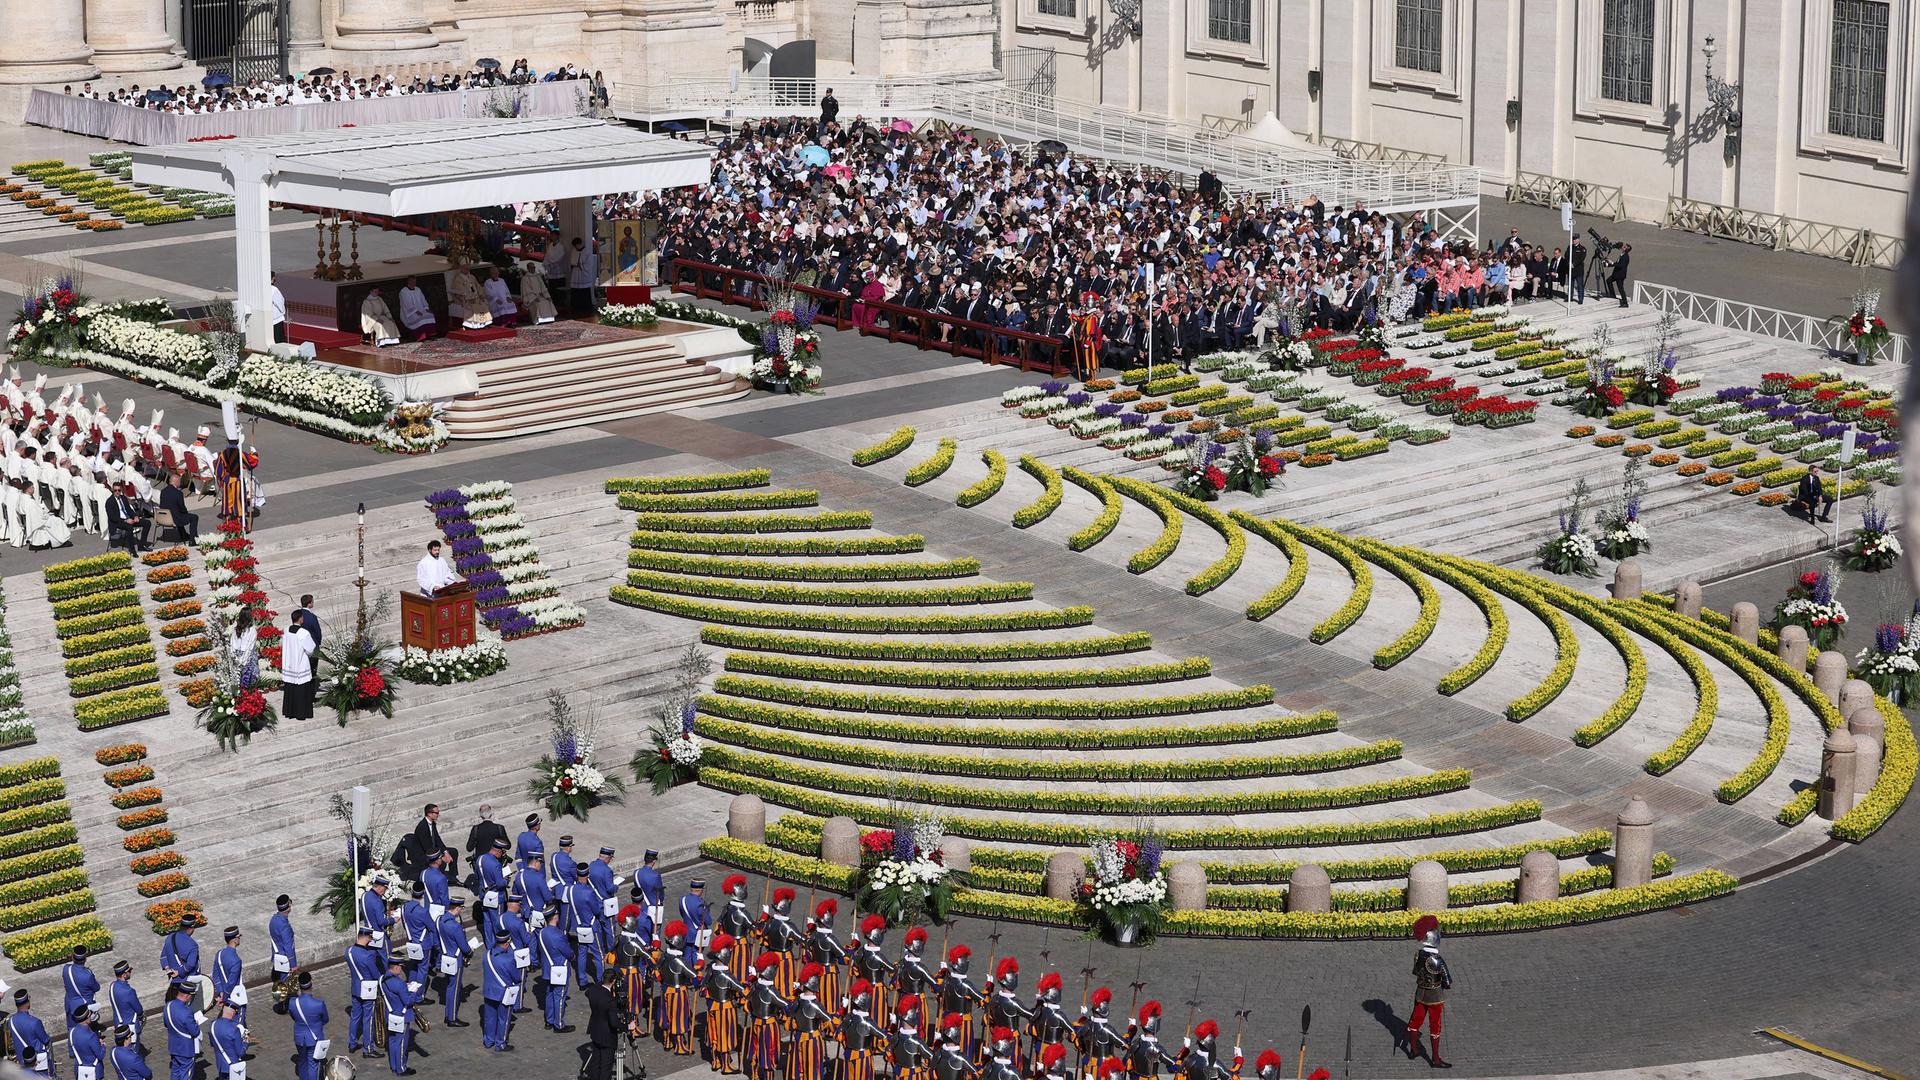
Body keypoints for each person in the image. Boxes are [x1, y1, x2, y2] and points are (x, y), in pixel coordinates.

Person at [1406, 915, 1452, 1068]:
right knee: (1435, 1025)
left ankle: (1413, 1049)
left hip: (1420, 992)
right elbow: (1447, 981)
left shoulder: (1418, 955)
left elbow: (1415, 972)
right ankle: (1435, 1059)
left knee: (1415, 1021)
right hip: (1435, 996)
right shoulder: (1437, 959)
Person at [380, 951, 424, 1076]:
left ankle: (394, 1066)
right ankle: (401, 1069)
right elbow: (408, 1001)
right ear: (397, 967)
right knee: (401, 1043)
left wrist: (405, 987)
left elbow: (394, 991)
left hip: (390, 1014)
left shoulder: (383, 978)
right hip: (402, 1016)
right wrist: (414, 991)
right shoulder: (399, 983)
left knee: (393, 1041)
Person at [579, 967, 625, 1080]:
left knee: (596, 1062)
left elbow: (588, 992)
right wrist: (628, 1026)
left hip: (595, 1031)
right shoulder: (610, 1001)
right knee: (606, 1066)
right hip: (607, 1036)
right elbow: (614, 1023)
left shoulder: (593, 990)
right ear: (613, 981)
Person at [537, 901, 576, 1033]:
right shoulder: (558, 935)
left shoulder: (542, 932)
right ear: (555, 916)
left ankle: (549, 1020)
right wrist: (572, 956)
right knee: (559, 996)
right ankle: (558, 1024)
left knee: (549, 994)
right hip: (559, 968)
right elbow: (568, 952)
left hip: (548, 969)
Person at [344, 926, 383, 1057]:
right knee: (368, 1019)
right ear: (367, 938)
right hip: (367, 990)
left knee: (355, 1017)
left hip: (355, 987)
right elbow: (376, 974)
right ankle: (368, 1049)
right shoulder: (367, 956)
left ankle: (352, 1043)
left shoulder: (348, 951)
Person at [436, 896, 474, 1028]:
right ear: (457, 908)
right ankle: (451, 1017)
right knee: (455, 988)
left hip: (445, 956)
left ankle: (449, 1014)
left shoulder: (439, 920)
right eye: (461, 909)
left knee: (450, 985)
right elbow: (464, 946)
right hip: (455, 960)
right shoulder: (455, 926)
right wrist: (470, 952)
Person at [480, 930, 519, 1051]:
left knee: (489, 1018)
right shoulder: (508, 960)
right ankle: (500, 1043)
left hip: (489, 991)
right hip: (503, 993)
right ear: (507, 943)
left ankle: (488, 1040)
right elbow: (517, 978)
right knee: (504, 1019)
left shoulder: (486, 954)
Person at [286, 970, 329, 1080]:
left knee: (302, 1062)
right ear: (311, 983)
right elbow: (325, 1019)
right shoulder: (319, 1004)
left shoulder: (292, 1002)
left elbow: (294, 1017)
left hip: (299, 1037)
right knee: (313, 1064)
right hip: (314, 1037)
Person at [279, 614, 317, 721]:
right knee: (301, 690)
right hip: (300, 665)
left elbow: (283, 645)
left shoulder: (286, 630)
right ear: (300, 619)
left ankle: (289, 712)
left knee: (290, 688)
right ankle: (301, 713)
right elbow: (310, 649)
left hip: (289, 664)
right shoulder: (303, 633)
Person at [7, 989, 50, 1076]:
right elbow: (45, 1040)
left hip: (22, 1061)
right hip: (36, 1061)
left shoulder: (10, 1021)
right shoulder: (35, 1022)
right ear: (27, 1003)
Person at [162, 981, 199, 1080]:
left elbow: (166, 1024)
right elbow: (195, 1032)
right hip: (185, 1049)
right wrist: (196, 1023)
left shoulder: (168, 1006)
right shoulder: (187, 1012)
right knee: (185, 1075)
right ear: (187, 996)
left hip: (173, 1046)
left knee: (175, 1071)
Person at [212, 926, 246, 1024]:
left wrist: (220, 991)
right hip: (234, 998)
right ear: (235, 940)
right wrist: (224, 998)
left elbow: (216, 975)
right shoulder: (236, 960)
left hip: (224, 994)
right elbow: (231, 983)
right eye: (238, 937)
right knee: (239, 1024)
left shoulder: (219, 954)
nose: (239, 939)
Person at [108, 960, 143, 1051]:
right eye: (129, 972)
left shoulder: (112, 986)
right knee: (133, 1052)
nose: (130, 973)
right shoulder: (128, 991)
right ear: (124, 975)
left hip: (118, 1023)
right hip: (130, 1025)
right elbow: (139, 1009)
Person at [106, 482, 150, 555]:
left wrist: (135, 516)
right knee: (129, 527)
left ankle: (142, 545)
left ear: (121, 490)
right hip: (118, 521)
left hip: (128, 519)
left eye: (119, 490)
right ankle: (132, 550)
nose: (117, 492)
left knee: (147, 523)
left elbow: (129, 510)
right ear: (112, 490)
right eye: (115, 490)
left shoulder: (123, 498)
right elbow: (112, 517)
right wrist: (126, 520)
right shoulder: (109, 501)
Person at [464, 807, 508, 880]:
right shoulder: (499, 828)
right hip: (497, 861)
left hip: (482, 863)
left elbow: (469, 848)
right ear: (491, 814)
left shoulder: (476, 829)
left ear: (481, 816)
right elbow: (508, 846)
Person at [64, 944, 102, 1024]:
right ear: (85, 959)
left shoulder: (66, 969)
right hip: (84, 1008)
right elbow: (97, 988)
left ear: (72, 957)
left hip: (70, 1005)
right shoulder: (87, 975)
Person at [209, 1000, 246, 1080]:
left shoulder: (213, 1024)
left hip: (221, 1065)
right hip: (233, 1065)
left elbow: (212, 1043)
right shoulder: (234, 1029)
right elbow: (240, 1052)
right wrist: (246, 1042)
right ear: (233, 1012)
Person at [156, 471, 197, 542]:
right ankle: (192, 540)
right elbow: (182, 508)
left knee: (177, 513)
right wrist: (186, 513)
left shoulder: (163, 491)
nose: (180, 483)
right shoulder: (178, 493)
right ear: (176, 482)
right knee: (194, 517)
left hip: (163, 518)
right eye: (180, 481)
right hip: (174, 519)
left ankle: (183, 535)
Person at [269, 893, 298, 992]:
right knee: (287, 987)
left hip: (277, 956)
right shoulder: (284, 926)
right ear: (288, 907)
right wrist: (293, 964)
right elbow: (288, 946)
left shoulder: (274, 919)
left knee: (280, 984)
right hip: (285, 959)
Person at [410, 805, 446, 880]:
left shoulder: (432, 823)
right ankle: (437, 877)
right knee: (442, 860)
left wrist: (446, 852)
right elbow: (427, 847)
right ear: (429, 814)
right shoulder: (422, 827)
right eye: (436, 813)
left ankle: (452, 877)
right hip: (423, 854)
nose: (438, 814)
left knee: (453, 852)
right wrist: (440, 855)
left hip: (432, 849)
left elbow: (437, 838)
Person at [397, 276, 438, 341]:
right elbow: (407, 303)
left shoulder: (418, 289)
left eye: (415, 281)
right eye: (412, 281)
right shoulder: (403, 291)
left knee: (430, 315)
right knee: (419, 318)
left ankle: (431, 335)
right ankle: (421, 337)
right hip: (409, 312)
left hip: (421, 309)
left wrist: (426, 308)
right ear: (408, 281)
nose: (414, 283)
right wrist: (415, 311)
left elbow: (423, 299)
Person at [568, 236, 598, 316]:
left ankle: (585, 307)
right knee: (576, 290)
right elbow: (572, 260)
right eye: (575, 246)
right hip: (576, 272)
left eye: (577, 245)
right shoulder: (574, 251)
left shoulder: (587, 251)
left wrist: (580, 264)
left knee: (584, 291)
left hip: (583, 272)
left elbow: (589, 264)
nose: (576, 247)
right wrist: (574, 263)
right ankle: (575, 306)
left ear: (580, 244)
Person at [1606, 243, 1631, 307]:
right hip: (1616, 274)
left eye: (1624, 247)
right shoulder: (1622, 255)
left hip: (1620, 275)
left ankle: (1625, 303)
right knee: (1608, 281)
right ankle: (1612, 294)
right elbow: (1616, 263)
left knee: (1620, 289)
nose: (1622, 247)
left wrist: (1611, 262)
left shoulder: (1625, 256)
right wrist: (1608, 264)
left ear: (1626, 249)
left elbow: (1620, 265)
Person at [268, 274, 288, 345]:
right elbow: (279, 302)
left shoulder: (262, 288)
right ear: (273, 278)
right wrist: (283, 312)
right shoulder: (273, 289)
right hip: (276, 319)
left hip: (268, 319)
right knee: (279, 339)